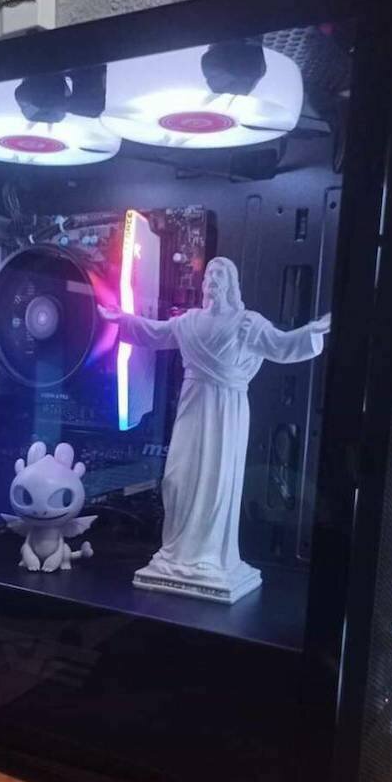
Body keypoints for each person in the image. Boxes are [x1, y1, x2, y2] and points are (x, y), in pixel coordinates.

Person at [99, 256, 331, 604]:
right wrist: (123, 319)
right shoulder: (189, 322)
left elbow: (282, 345)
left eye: (220, 275)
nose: (212, 280)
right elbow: (156, 332)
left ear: (231, 285)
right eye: (209, 274)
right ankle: (177, 553)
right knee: (177, 478)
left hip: (226, 411)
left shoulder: (248, 324)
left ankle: (208, 558)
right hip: (193, 406)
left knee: (216, 482)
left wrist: (313, 330)